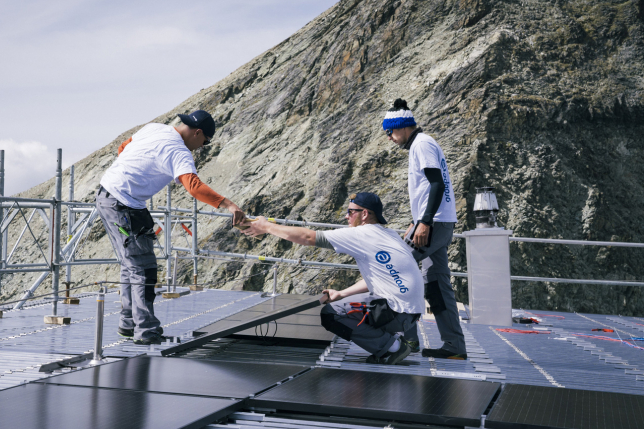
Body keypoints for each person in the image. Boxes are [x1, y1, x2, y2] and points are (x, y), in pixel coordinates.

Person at [96, 110, 246, 345]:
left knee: (131, 264)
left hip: (109, 195)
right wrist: (228, 204)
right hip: (123, 205)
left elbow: (124, 147)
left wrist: (136, 173)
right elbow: (194, 187)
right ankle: (146, 332)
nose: (201, 147)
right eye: (204, 142)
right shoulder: (179, 152)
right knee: (143, 269)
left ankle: (128, 324)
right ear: (197, 133)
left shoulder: (155, 127)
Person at [243, 193, 424, 365]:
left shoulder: (362, 234)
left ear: (365, 214)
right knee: (344, 305)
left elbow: (307, 237)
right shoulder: (387, 233)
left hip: (396, 312)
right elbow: (381, 279)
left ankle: (393, 348)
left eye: (351, 212)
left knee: (332, 314)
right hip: (408, 314)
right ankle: (391, 342)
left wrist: (266, 226)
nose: (346, 216)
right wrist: (342, 293)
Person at [383, 99, 467, 359]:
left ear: (402, 126)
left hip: (435, 223)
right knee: (437, 285)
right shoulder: (420, 145)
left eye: (390, 131)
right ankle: (454, 346)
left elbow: (437, 184)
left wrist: (425, 222)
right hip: (435, 221)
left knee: (396, 267)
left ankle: (409, 341)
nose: (389, 137)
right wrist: (418, 218)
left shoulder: (422, 144)